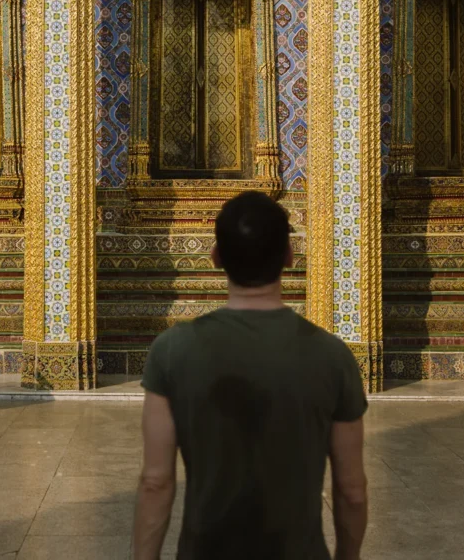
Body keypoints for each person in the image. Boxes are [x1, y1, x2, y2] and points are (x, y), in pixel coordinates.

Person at [133, 190, 368, 560]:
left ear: (216, 257)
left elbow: (156, 481)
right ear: (289, 257)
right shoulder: (333, 356)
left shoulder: (172, 350)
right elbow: (351, 488)